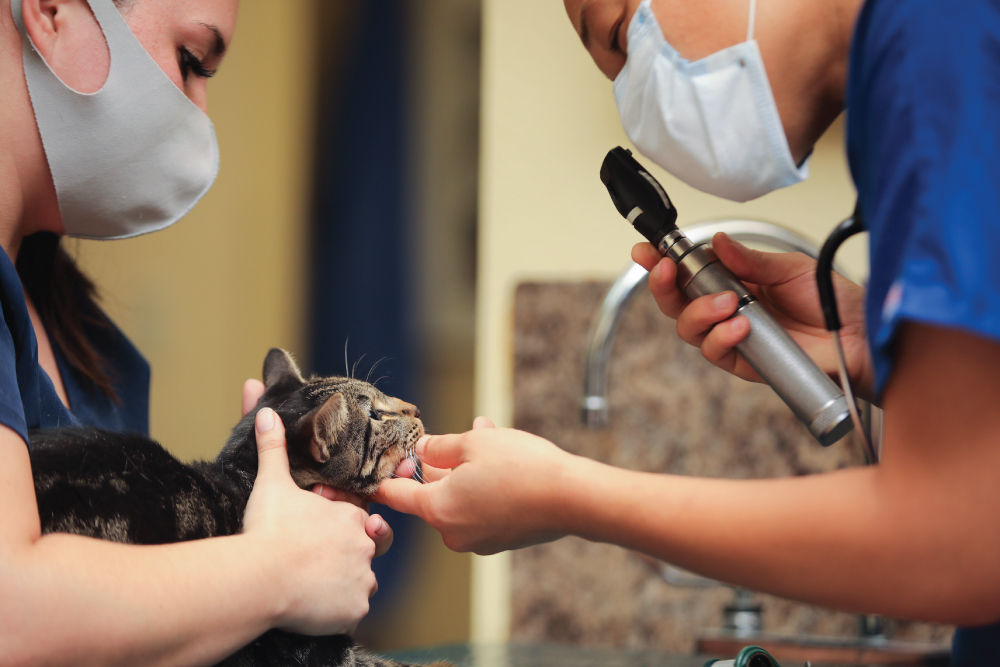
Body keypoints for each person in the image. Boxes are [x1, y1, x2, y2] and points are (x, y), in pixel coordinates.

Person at [375, 0, 1000, 663]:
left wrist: (567, 495)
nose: (634, 96)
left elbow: (955, 538)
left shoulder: (936, 43)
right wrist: (872, 351)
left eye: (618, 36)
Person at [0, 0, 394, 663]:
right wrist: (278, 570)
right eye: (190, 61)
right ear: (51, 8)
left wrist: (255, 508)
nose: (200, 115)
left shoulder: (81, 335)